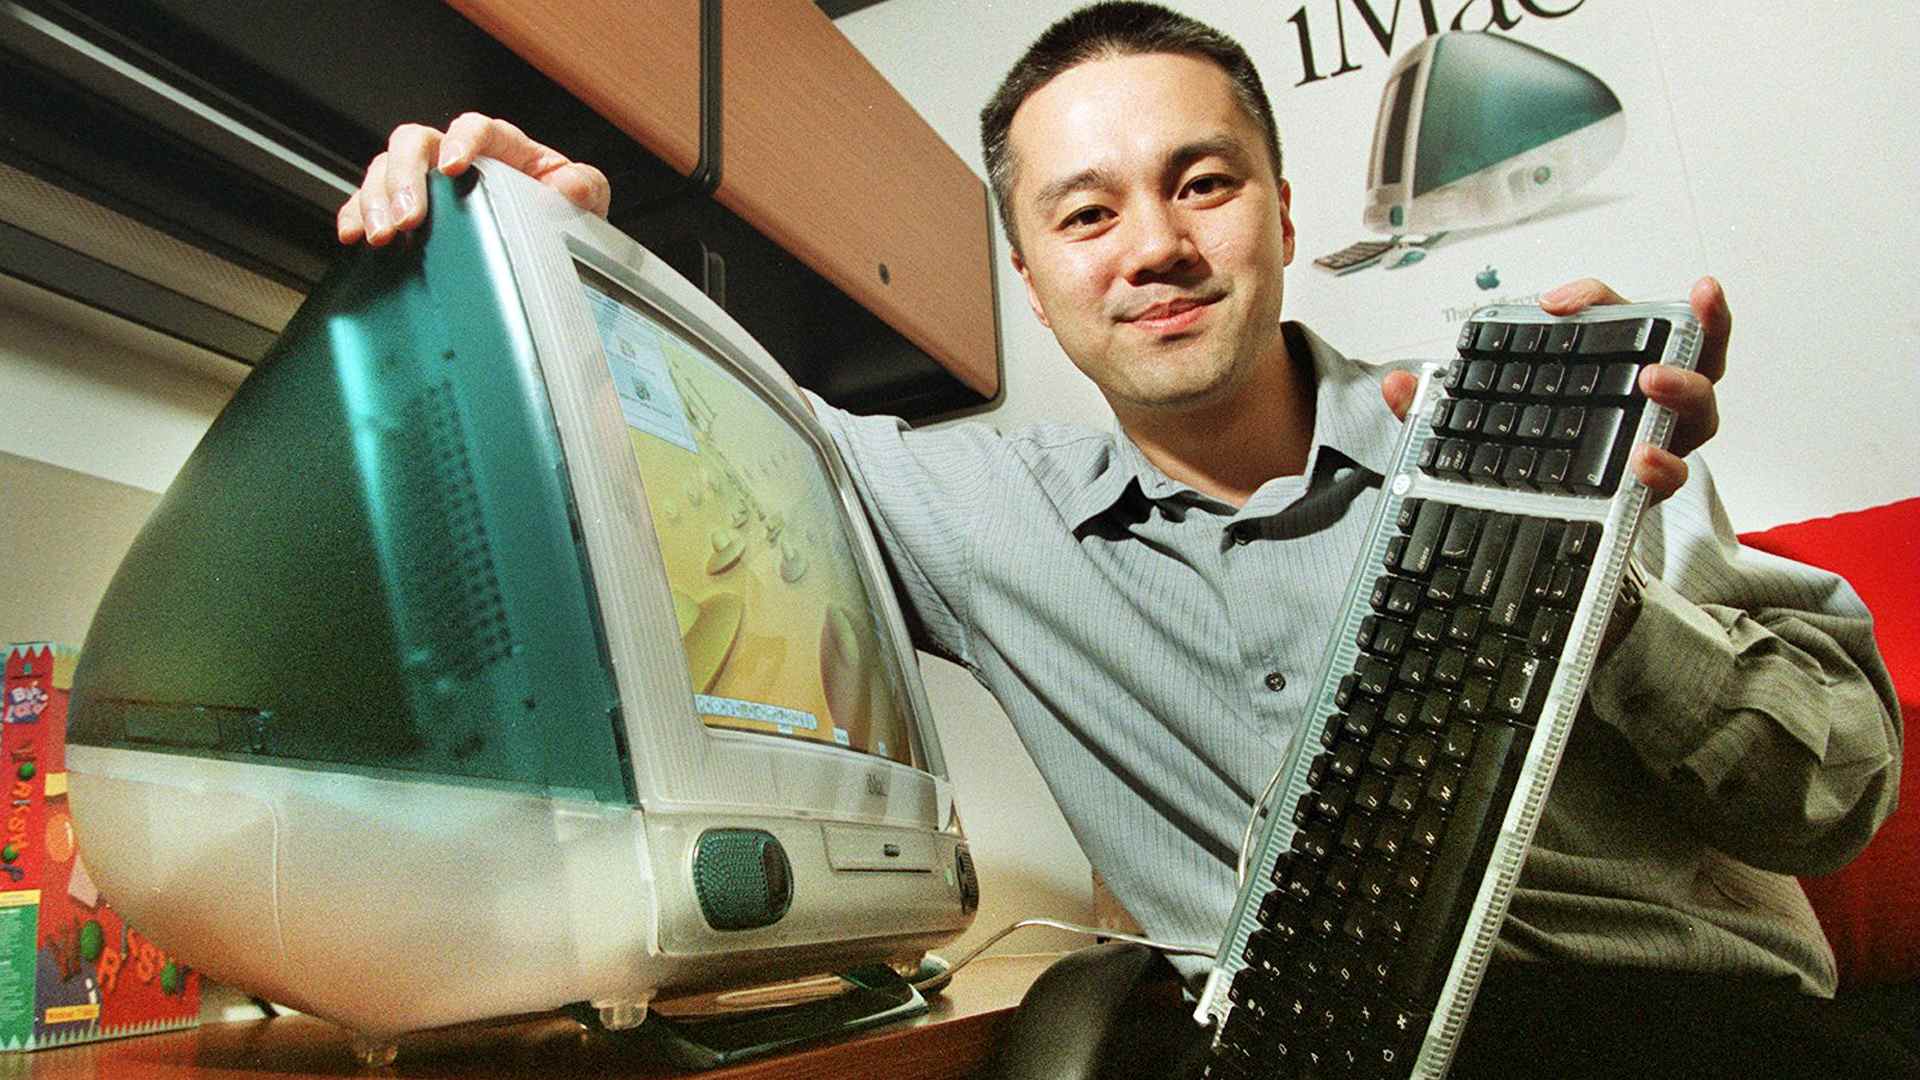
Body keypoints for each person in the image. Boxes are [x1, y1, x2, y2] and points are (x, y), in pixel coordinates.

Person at [336, 4, 1904, 1075]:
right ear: (1033, 276)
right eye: (1086, 215)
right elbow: (687, 437)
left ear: (1284, 214)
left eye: (1201, 184)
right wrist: (556, 237)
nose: (1154, 246)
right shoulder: (969, 513)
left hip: (1681, 1028)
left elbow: (1832, 804)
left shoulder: (1563, 442)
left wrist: (1592, 590)